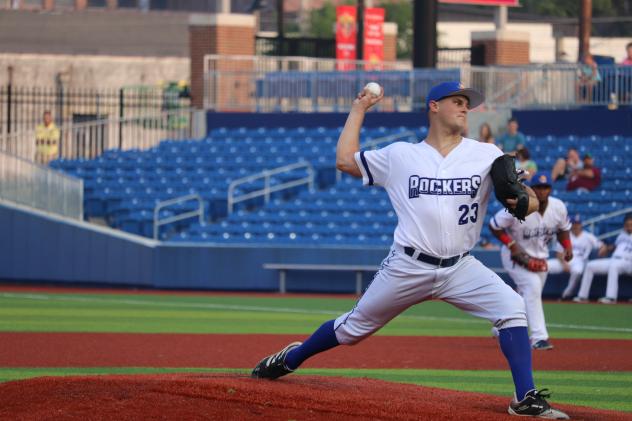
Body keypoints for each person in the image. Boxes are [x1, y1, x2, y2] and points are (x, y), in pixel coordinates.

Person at [251, 81, 569, 419]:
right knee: (352, 330)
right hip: (408, 265)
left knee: (513, 308)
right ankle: (291, 358)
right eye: (457, 101)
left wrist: (525, 200)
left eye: (467, 103)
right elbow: (344, 161)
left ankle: (525, 398)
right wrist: (359, 109)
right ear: (434, 106)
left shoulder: (487, 154)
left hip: (461, 267)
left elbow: (533, 200)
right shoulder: (401, 155)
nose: (465, 108)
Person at [490, 172, 572, 351]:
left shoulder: (558, 207)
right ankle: (539, 337)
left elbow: (564, 229)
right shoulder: (518, 205)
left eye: (546, 187)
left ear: (550, 189)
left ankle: (502, 325)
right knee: (533, 289)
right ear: (531, 189)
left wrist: (567, 246)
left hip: (540, 258)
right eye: (538, 187)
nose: (542, 191)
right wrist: (511, 245)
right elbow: (494, 225)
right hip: (515, 256)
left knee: (526, 297)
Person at [573, 213, 632, 304]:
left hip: (628, 262)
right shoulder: (622, 235)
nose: (629, 227)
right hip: (615, 259)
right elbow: (615, 247)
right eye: (627, 225)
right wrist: (606, 248)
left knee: (614, 266)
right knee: (590, 266)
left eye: (631, 225)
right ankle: (582, 296)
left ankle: (611, 297)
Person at [547, 214, 607, 300]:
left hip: (579, 261)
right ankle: (537, 292)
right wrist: (564, 264)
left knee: (577, 272)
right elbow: (558, 253)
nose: (576, 226)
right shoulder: (565, 235)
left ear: (581, 225)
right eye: (574, 224)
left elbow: (602, 246)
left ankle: (566, 295)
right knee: (545, 265)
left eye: (578, 224)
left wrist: (603, 249)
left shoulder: (588, 236)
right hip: (564, 261)